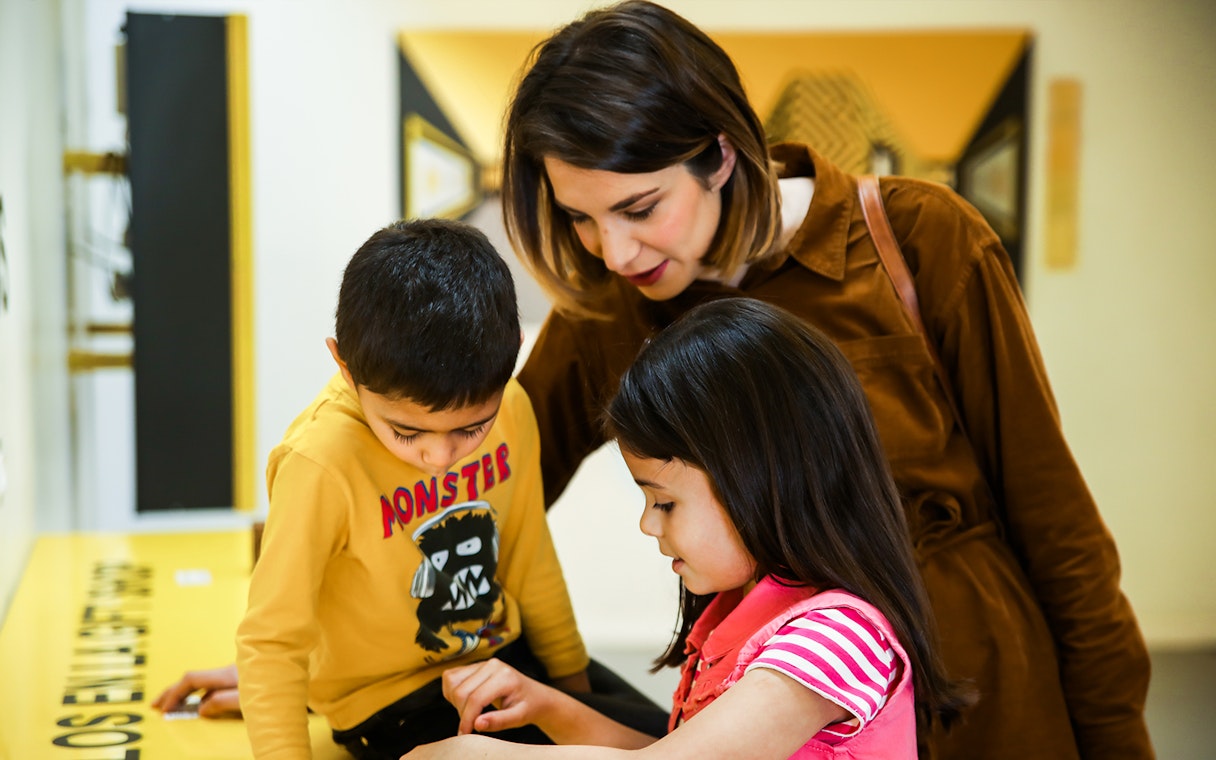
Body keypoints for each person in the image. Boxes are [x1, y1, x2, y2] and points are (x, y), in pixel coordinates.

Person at [502, 2, 1153, 759]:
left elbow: (1058, 527)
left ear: (719, 154)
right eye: (580, 218)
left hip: (983, 692)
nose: (613, 252)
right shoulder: (613, 309)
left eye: (639, 207)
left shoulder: (923, 240)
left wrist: (1118, 740)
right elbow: (497, 478)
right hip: (780, 710)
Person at [155, 218, 667, 759]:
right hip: (392, 705)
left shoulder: (513, 407)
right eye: (407, 432)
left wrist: (571, 691)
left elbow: (528, 553)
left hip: (510, 664)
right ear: (345, 368)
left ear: (513, 356)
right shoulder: (319, 461)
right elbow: (273, 640)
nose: (440, 457)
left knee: (689, 741)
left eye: (472, 428)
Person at [402, 297, 972, 760]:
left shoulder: (839, 639)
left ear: (762, 479)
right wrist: (546, 706)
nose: (648, 524)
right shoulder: (733, 612)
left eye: (666, 503)